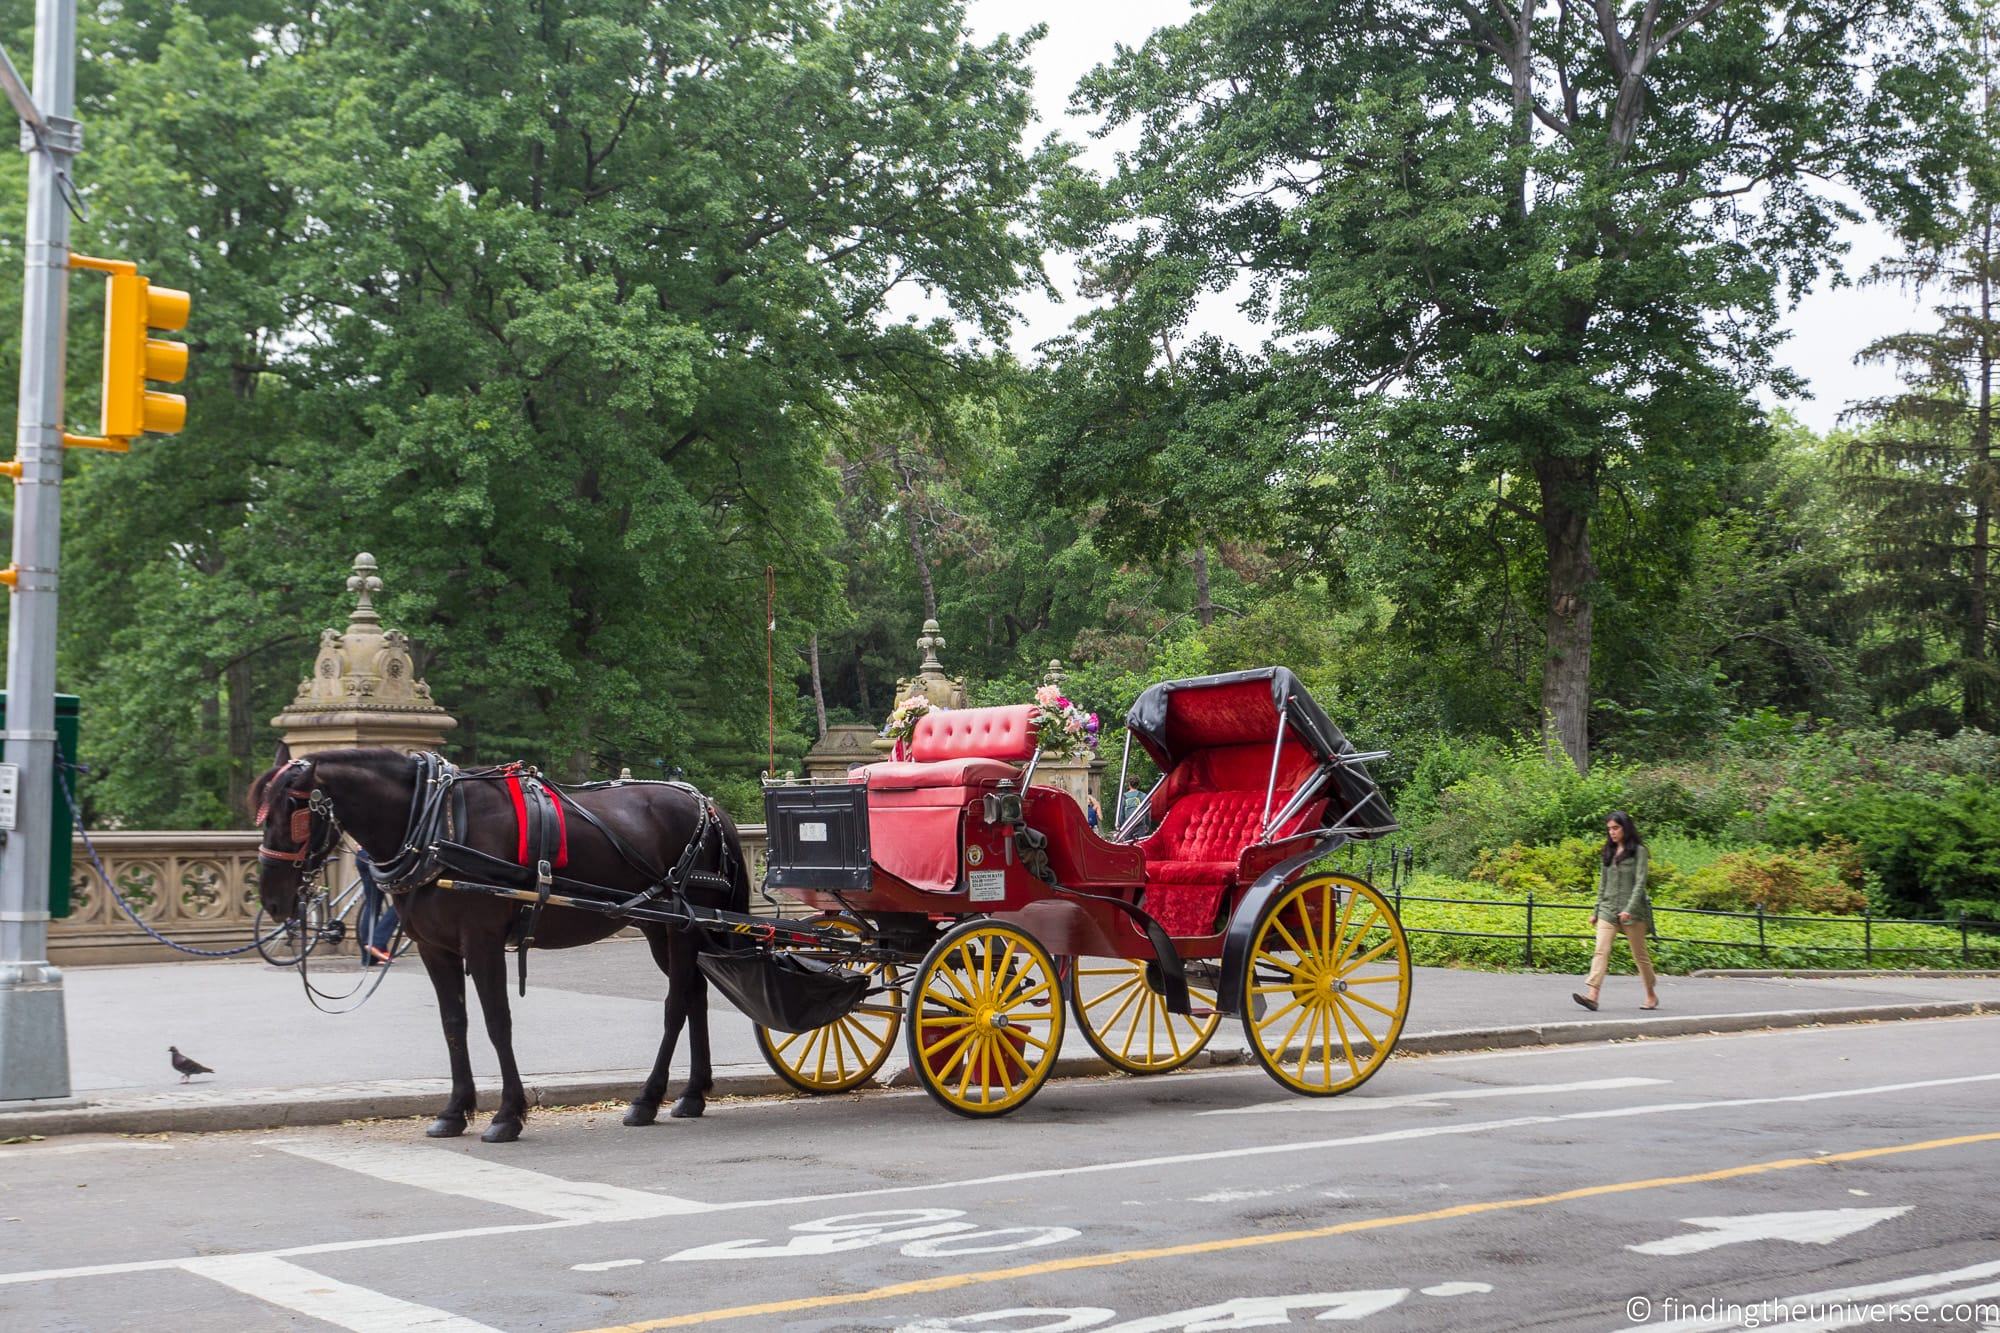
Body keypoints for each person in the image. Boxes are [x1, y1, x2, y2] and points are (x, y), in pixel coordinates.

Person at [1574, 811, 1658, 1011]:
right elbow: (1603, 884)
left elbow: (1640, 884)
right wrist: (1596, 910)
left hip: (1633, 912)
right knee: (1601, 950)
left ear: (1625, 828)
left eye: (1616, 828)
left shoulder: (1639, 851)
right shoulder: (1608, 851)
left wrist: (1629, 909)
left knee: (1640, 955)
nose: (1612, 832)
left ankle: (1651, 994)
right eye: (1609, 829)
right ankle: (1593, 995)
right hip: (1608, 910)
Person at [354, 848, 399, 966]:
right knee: (404, 902)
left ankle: (369, 958)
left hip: (362, 855)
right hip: (379, 857)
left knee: (371, 905)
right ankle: (377, 943)